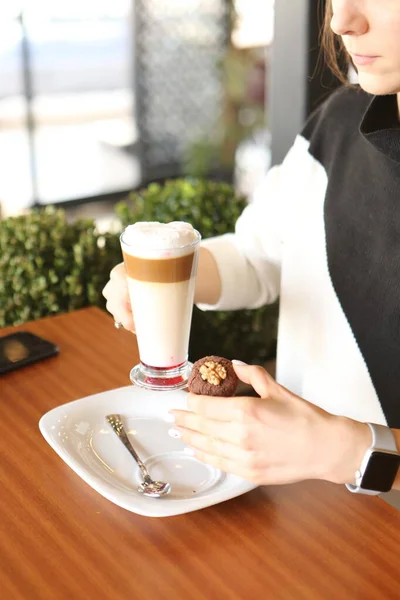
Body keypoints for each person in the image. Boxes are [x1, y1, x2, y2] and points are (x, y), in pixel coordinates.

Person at [103, 0, 400, 495]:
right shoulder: (339, 122)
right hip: (303, 510)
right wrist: (167, 274)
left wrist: (350, 452)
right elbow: (259, 253)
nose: (342, 20)